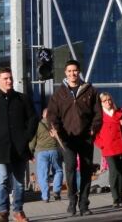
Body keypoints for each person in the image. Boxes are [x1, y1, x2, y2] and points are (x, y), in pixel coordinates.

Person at [0, 68, 37, 222]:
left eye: (10, 78)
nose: (9, 81)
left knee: (18, 182)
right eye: (5, 78)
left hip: (19, 147)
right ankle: (3, 212)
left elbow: (32, 118)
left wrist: (26, 137)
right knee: (2, 179)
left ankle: (18, 211)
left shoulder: (22, 99)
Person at [47, 60, 102, 216]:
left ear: (79, 72)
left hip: (86, 138)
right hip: (67, 140)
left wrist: (93, 130)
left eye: (75, 71)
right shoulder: (59, 94)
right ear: (65, 73)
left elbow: (98, 114)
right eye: (69, 71)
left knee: (86, 171)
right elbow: (52, 115)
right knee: (70, 170)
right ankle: (72, 202)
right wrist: (56, 130)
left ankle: (84, 204)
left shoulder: (90, 90)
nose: (72, 74)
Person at [94, 93, 122, 208]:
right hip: (108, 148)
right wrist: (102, 144)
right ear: (101, 103)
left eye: (109, 100)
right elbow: (95, 134)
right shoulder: (99, 116)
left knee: (120, 173)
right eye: (105, 101)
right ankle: (115, 198)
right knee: (114, 171)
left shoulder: (120, 112)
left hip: (121, 146)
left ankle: (120, 198)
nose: (108, 102)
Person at [29, 108, 63, 203]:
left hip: (41, 152)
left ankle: (45, 196)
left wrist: (30, 153)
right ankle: (56, 191)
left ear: (43, 115)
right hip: (54, 151)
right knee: (58, 170)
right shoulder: (55, 124)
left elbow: (33, 140)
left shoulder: (38, 125)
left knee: (42, 174)